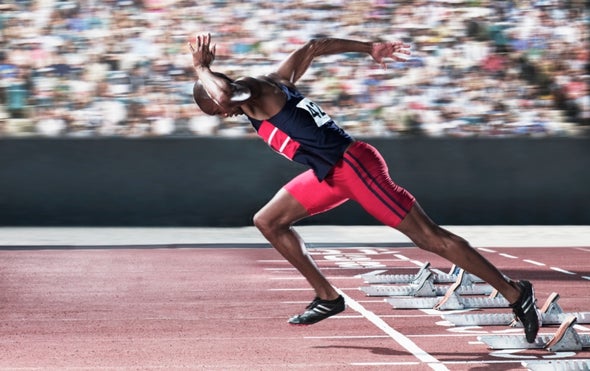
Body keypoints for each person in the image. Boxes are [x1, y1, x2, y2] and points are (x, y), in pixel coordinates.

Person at [188, 33, 541, 343]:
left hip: (354, 167)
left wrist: (202, 69)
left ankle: (515, 292)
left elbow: (224, 95)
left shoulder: (250, 91)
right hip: (329, 173)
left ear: (224, 91)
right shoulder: (274, 80)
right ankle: (327, 297)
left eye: (218, 112)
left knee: (430, 238)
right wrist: (369, 48)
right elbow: (315, 46)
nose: (225, 116)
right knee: (269, 221)